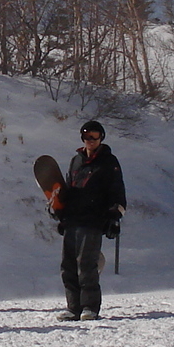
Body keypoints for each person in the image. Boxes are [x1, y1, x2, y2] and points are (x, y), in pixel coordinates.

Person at [57, 121, 126, 321]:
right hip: (73, 219)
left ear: (101, 138)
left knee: (86, 264)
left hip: (93, 219)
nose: (90, 141)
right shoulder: (76, 161)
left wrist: (114, 216)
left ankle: (90, 307)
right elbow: (69, 189)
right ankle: (73, 307)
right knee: (68, 265)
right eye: (87, 137)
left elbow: (117, 191)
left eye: (94, 137)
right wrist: (61, 214)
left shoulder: (109, 162)